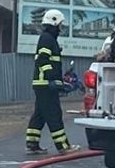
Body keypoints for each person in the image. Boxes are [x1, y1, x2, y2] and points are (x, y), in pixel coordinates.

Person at [26, 9, 79, 154]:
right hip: (45, 84)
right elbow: (43, 60)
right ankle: (63, 146)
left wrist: (59, 79)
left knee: (40, 114)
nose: (62, 27)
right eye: (60, 24)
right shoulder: (47, 39)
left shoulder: (48, 38)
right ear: (54, 23)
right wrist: (52, 80)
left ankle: (32, 143)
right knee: (54, 113)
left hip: (43, 84)